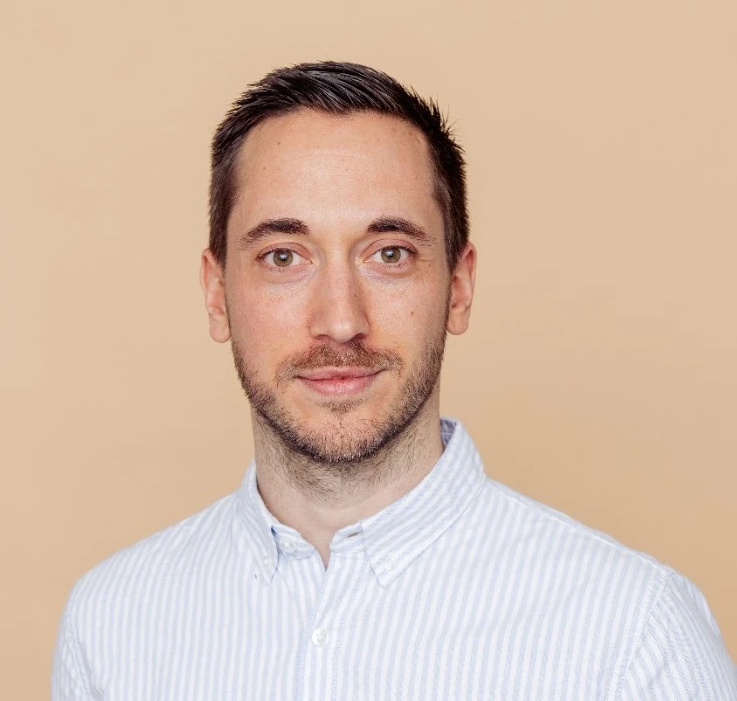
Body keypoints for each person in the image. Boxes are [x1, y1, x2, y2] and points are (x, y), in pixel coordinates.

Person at [52, 62, 736, 700]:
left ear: (459, 286)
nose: (340, 322)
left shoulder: (633, 635)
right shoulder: (112, 624)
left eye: (390, 254)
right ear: (215, 293)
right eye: (284, 256)